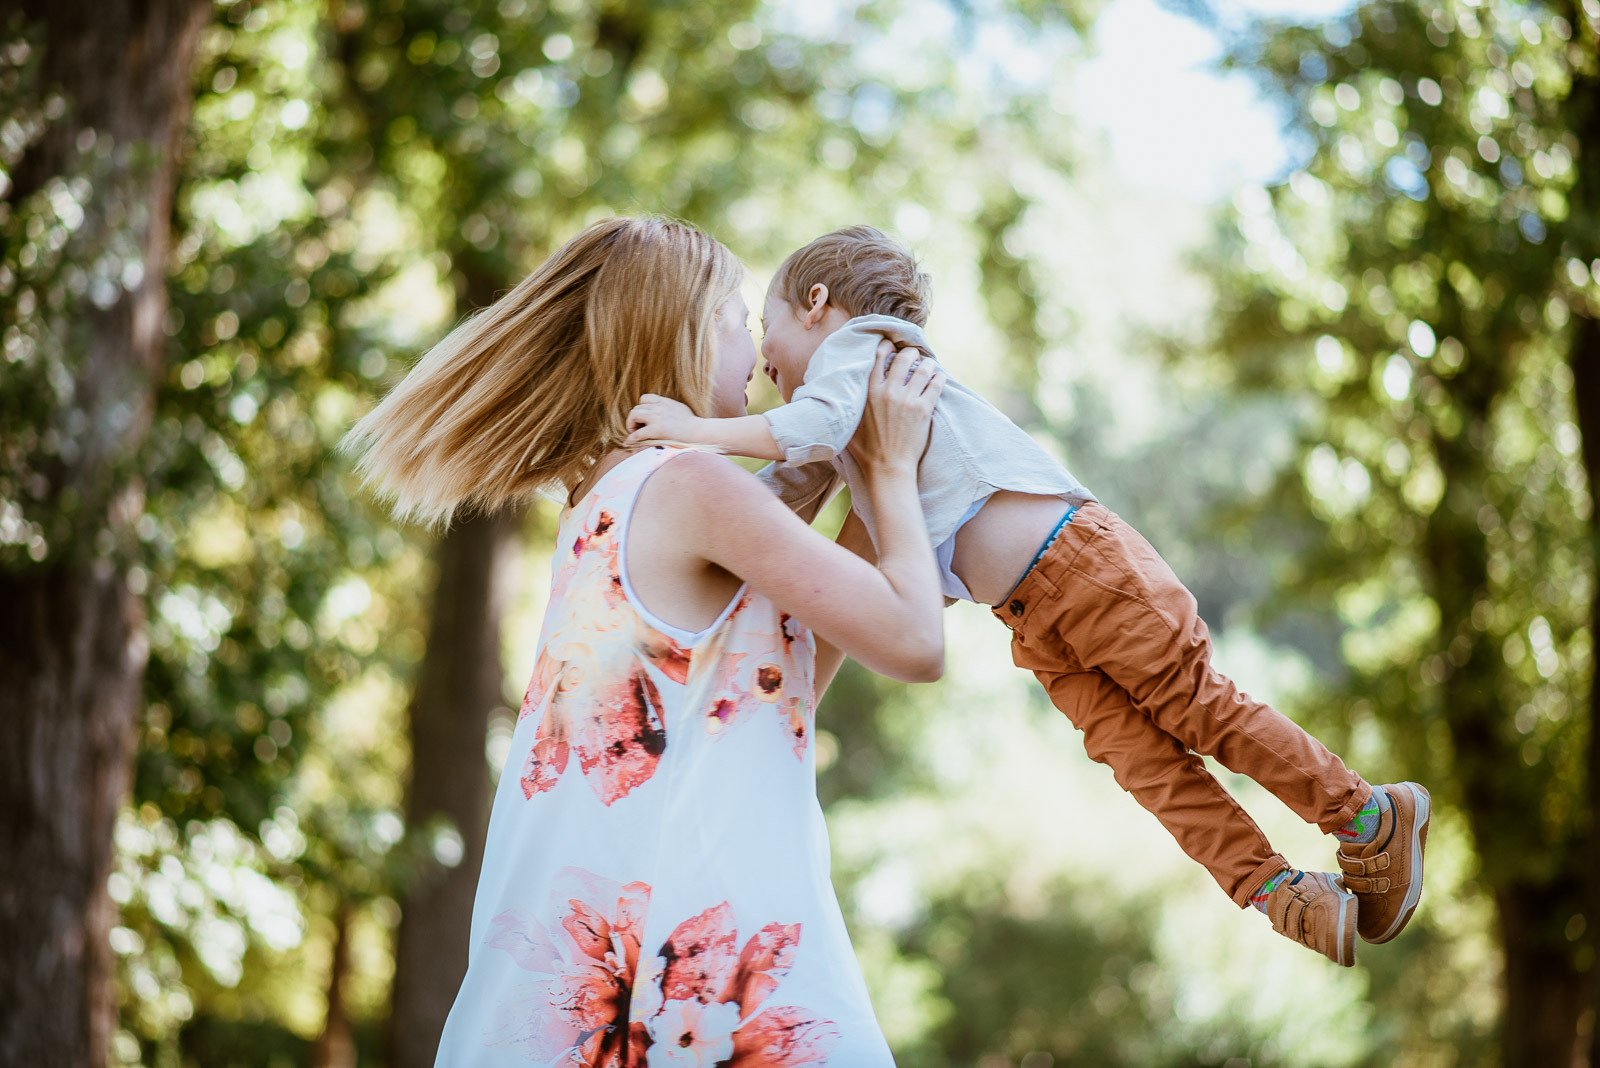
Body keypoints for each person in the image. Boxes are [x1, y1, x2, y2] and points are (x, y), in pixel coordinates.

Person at [624, 225, 1431, 968]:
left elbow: (796, 435)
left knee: (1197, 708)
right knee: (1146, 767)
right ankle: (1281, 893)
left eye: (763, 326)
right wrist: (689, 513)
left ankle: (1367, 814)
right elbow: (780, 487)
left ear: (816, 304)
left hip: (1084, 569)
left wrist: (691, 433)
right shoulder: (842, 424)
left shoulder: (863, 350)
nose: (762, 356)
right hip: (1033, 616)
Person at [344, 216, 946, 1065]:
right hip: (710, 990)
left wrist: (835, 466)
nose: (755, 346)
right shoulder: (690, 482)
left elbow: (768, 704)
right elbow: (916, 641)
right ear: (681, 330)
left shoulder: (607, 496)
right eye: (736, 317)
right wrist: (888, 468)